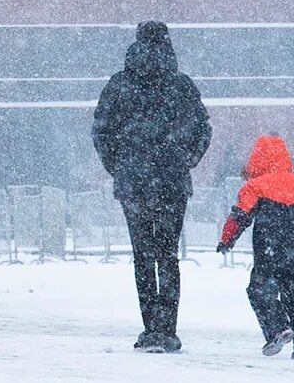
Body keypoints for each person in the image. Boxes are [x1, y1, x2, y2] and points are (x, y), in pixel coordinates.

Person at [92, 21, 211, 353]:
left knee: (142, 256)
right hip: (172, 181)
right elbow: (202, 130)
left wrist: (119, 167)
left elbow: (101, 132)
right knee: (168, 255)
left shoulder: (119, 85)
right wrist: (185, 160)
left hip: (134, 183)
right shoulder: (181, 86)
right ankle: (168, 329)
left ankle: (150, 328)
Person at [215, 135, 294, 361]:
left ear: (256, 158)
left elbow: (240, 216)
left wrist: (227, 240)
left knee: (260, 292)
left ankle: (277, 328)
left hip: (269, 253)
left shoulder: (254, 187)